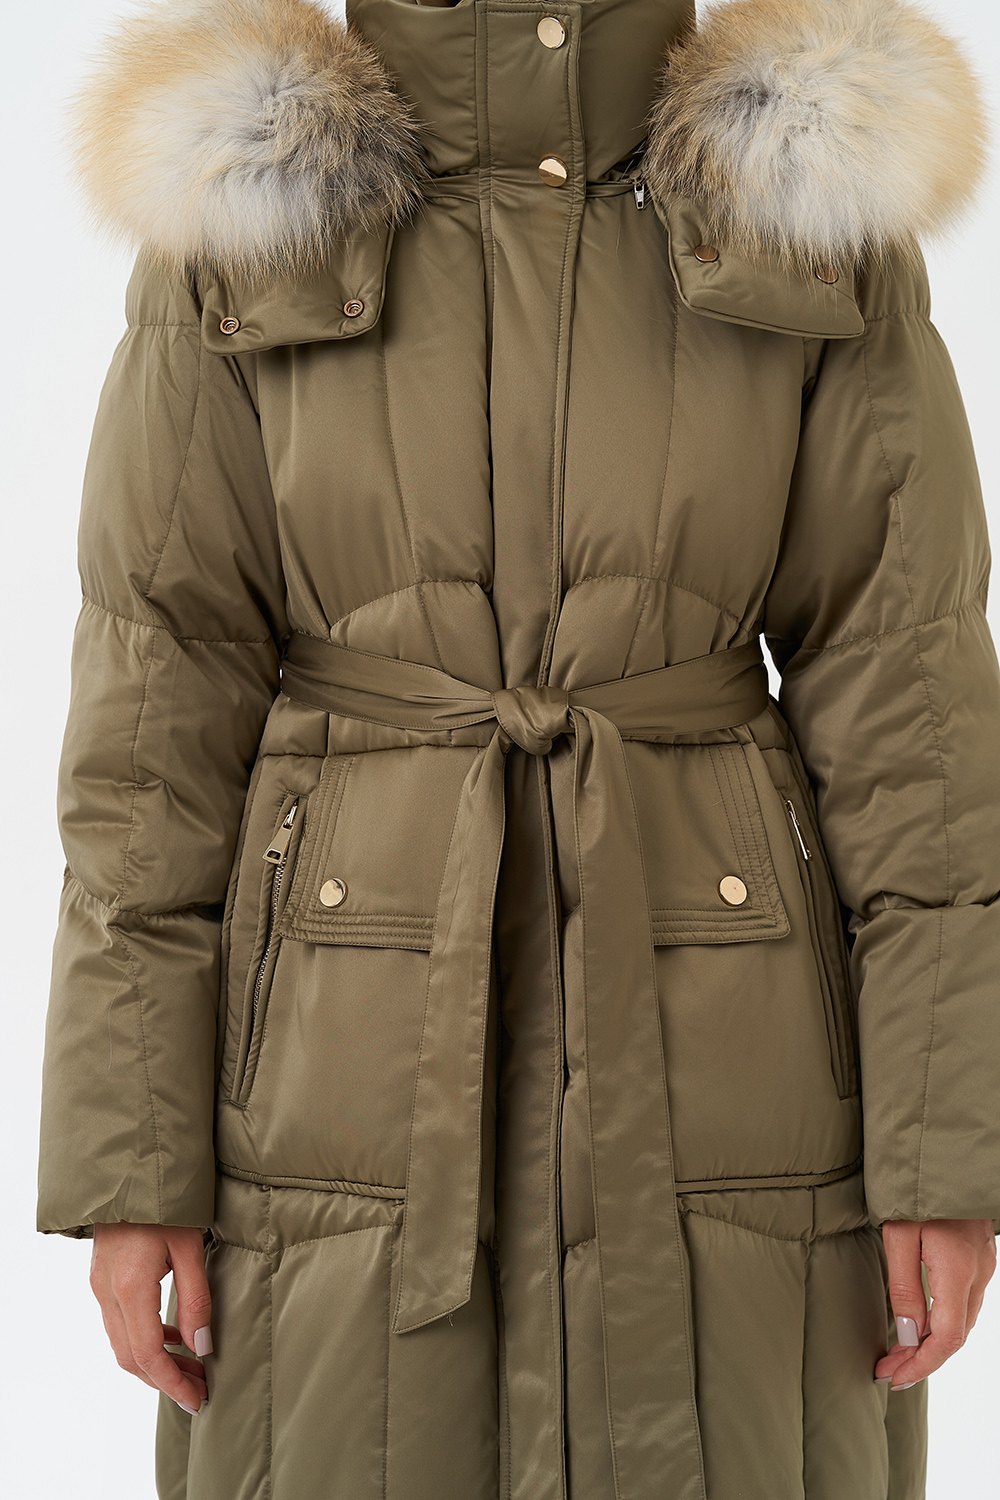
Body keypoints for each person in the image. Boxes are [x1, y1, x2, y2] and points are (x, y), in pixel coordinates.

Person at [37, 0, 999, 1495]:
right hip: (336, 1080)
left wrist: (947, 1147)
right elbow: (150, 735)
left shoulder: (809, 210)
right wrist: (132, 1159)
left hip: (736, 1067)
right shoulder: (243, 211)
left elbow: (914, 720)